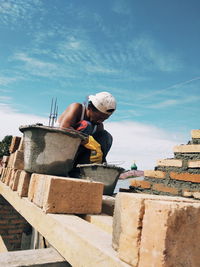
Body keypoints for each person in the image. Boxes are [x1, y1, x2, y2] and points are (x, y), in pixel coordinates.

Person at [56, 92, 116, 173]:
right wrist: (87, 140)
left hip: (77, 160)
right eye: (99, 117)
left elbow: (101, 144)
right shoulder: (77, 108)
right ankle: (63, 169)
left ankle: (84, 171)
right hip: (59, 152)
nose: (100, 121)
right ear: (89, 107)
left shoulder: (98, 126)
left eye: (104, 119)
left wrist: (99, 153)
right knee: (86, 125)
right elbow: (64, 128)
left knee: (106, 137)